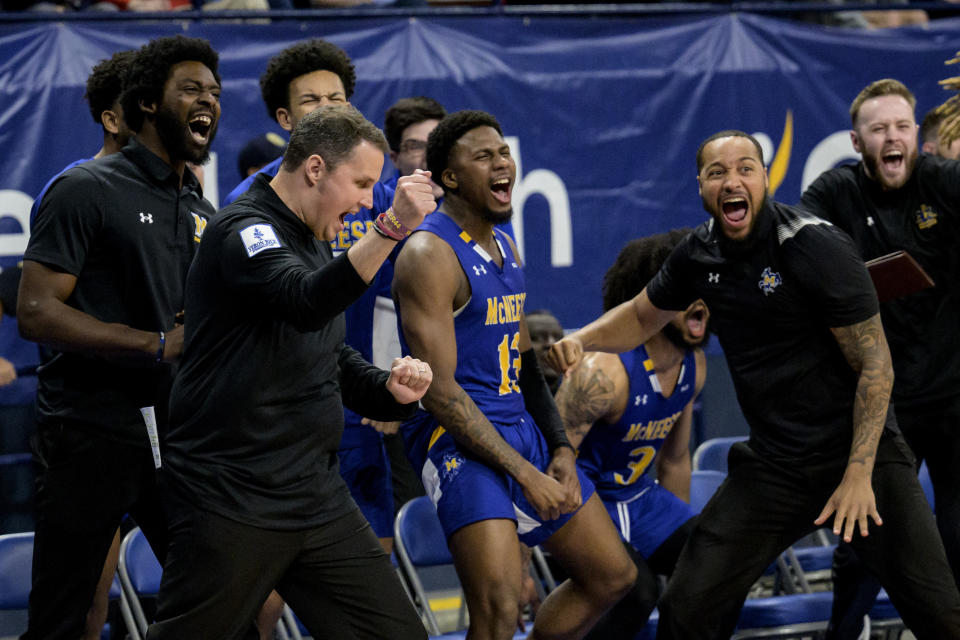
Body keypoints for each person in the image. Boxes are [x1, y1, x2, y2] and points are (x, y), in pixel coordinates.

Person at [548, 129, 960, 640]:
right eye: (716, 172)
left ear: (766, 178)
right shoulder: (699, 254)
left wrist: (857, 475)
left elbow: (876, 368)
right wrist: (579, 340)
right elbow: (639, 315)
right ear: (701, 187)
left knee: (941, 614)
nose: (732, 180)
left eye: (745, 168)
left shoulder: (815, 246)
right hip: (775, 466)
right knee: (689, 605)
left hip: (858, 456)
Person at [148, 105, 435, 640]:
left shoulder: (313, 233)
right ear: (316, 169)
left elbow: (323, 348)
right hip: (232, 493)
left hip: (314, 493)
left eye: (377, 189)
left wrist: (389, 392)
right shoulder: (244, 230)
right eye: (363, 183)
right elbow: (304, 301)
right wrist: (392, 228)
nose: (369, 200)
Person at [393, 109, 636, 640]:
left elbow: (525, 365)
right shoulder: (427, 252)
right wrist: (526, 475)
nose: (501, 163)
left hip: (517, 425)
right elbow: (439, 390)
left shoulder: (505, 245)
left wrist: (561, 450)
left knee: (613, 575)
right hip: (455, 437)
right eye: (483, 156)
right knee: (501, 607)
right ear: (450, 177)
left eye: (504, 153)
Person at [16, 35, 220, 640]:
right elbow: (36, 313)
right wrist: (156, 344)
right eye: (191, 88)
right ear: (147, 104)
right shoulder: (85, 188)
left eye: (213, 89)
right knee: (68, 619)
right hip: (89, 433)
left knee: (220, 601)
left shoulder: (200, 205)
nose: (208, 98)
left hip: (179, 436)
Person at [800, 79, 960, 639]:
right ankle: (842, 634)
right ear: (856, 139)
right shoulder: (833, 193)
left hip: (952, 395)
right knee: (861, 540)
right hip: (881, 402)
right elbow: (797, 258)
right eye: (879, 129)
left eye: (901, 127)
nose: (892, 137)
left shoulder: (945, 183)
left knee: (957, 537)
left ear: (916, 134)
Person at [553, 229, 708, 640]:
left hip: (640, 501)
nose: (700, 299)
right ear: (652, 301)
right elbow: (544, 466)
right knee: (637, 591)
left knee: (714, 564)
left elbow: (674, 460)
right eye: (686, 287)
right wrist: (517, 564)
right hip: (583, 508)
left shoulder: (695, 365)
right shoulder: (602, 373)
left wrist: (676, 547)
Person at [525, 309, 565, 394]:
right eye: (535, 338)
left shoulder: (580, 402)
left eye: (558, 338)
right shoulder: (501, 402)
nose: (552, 344)